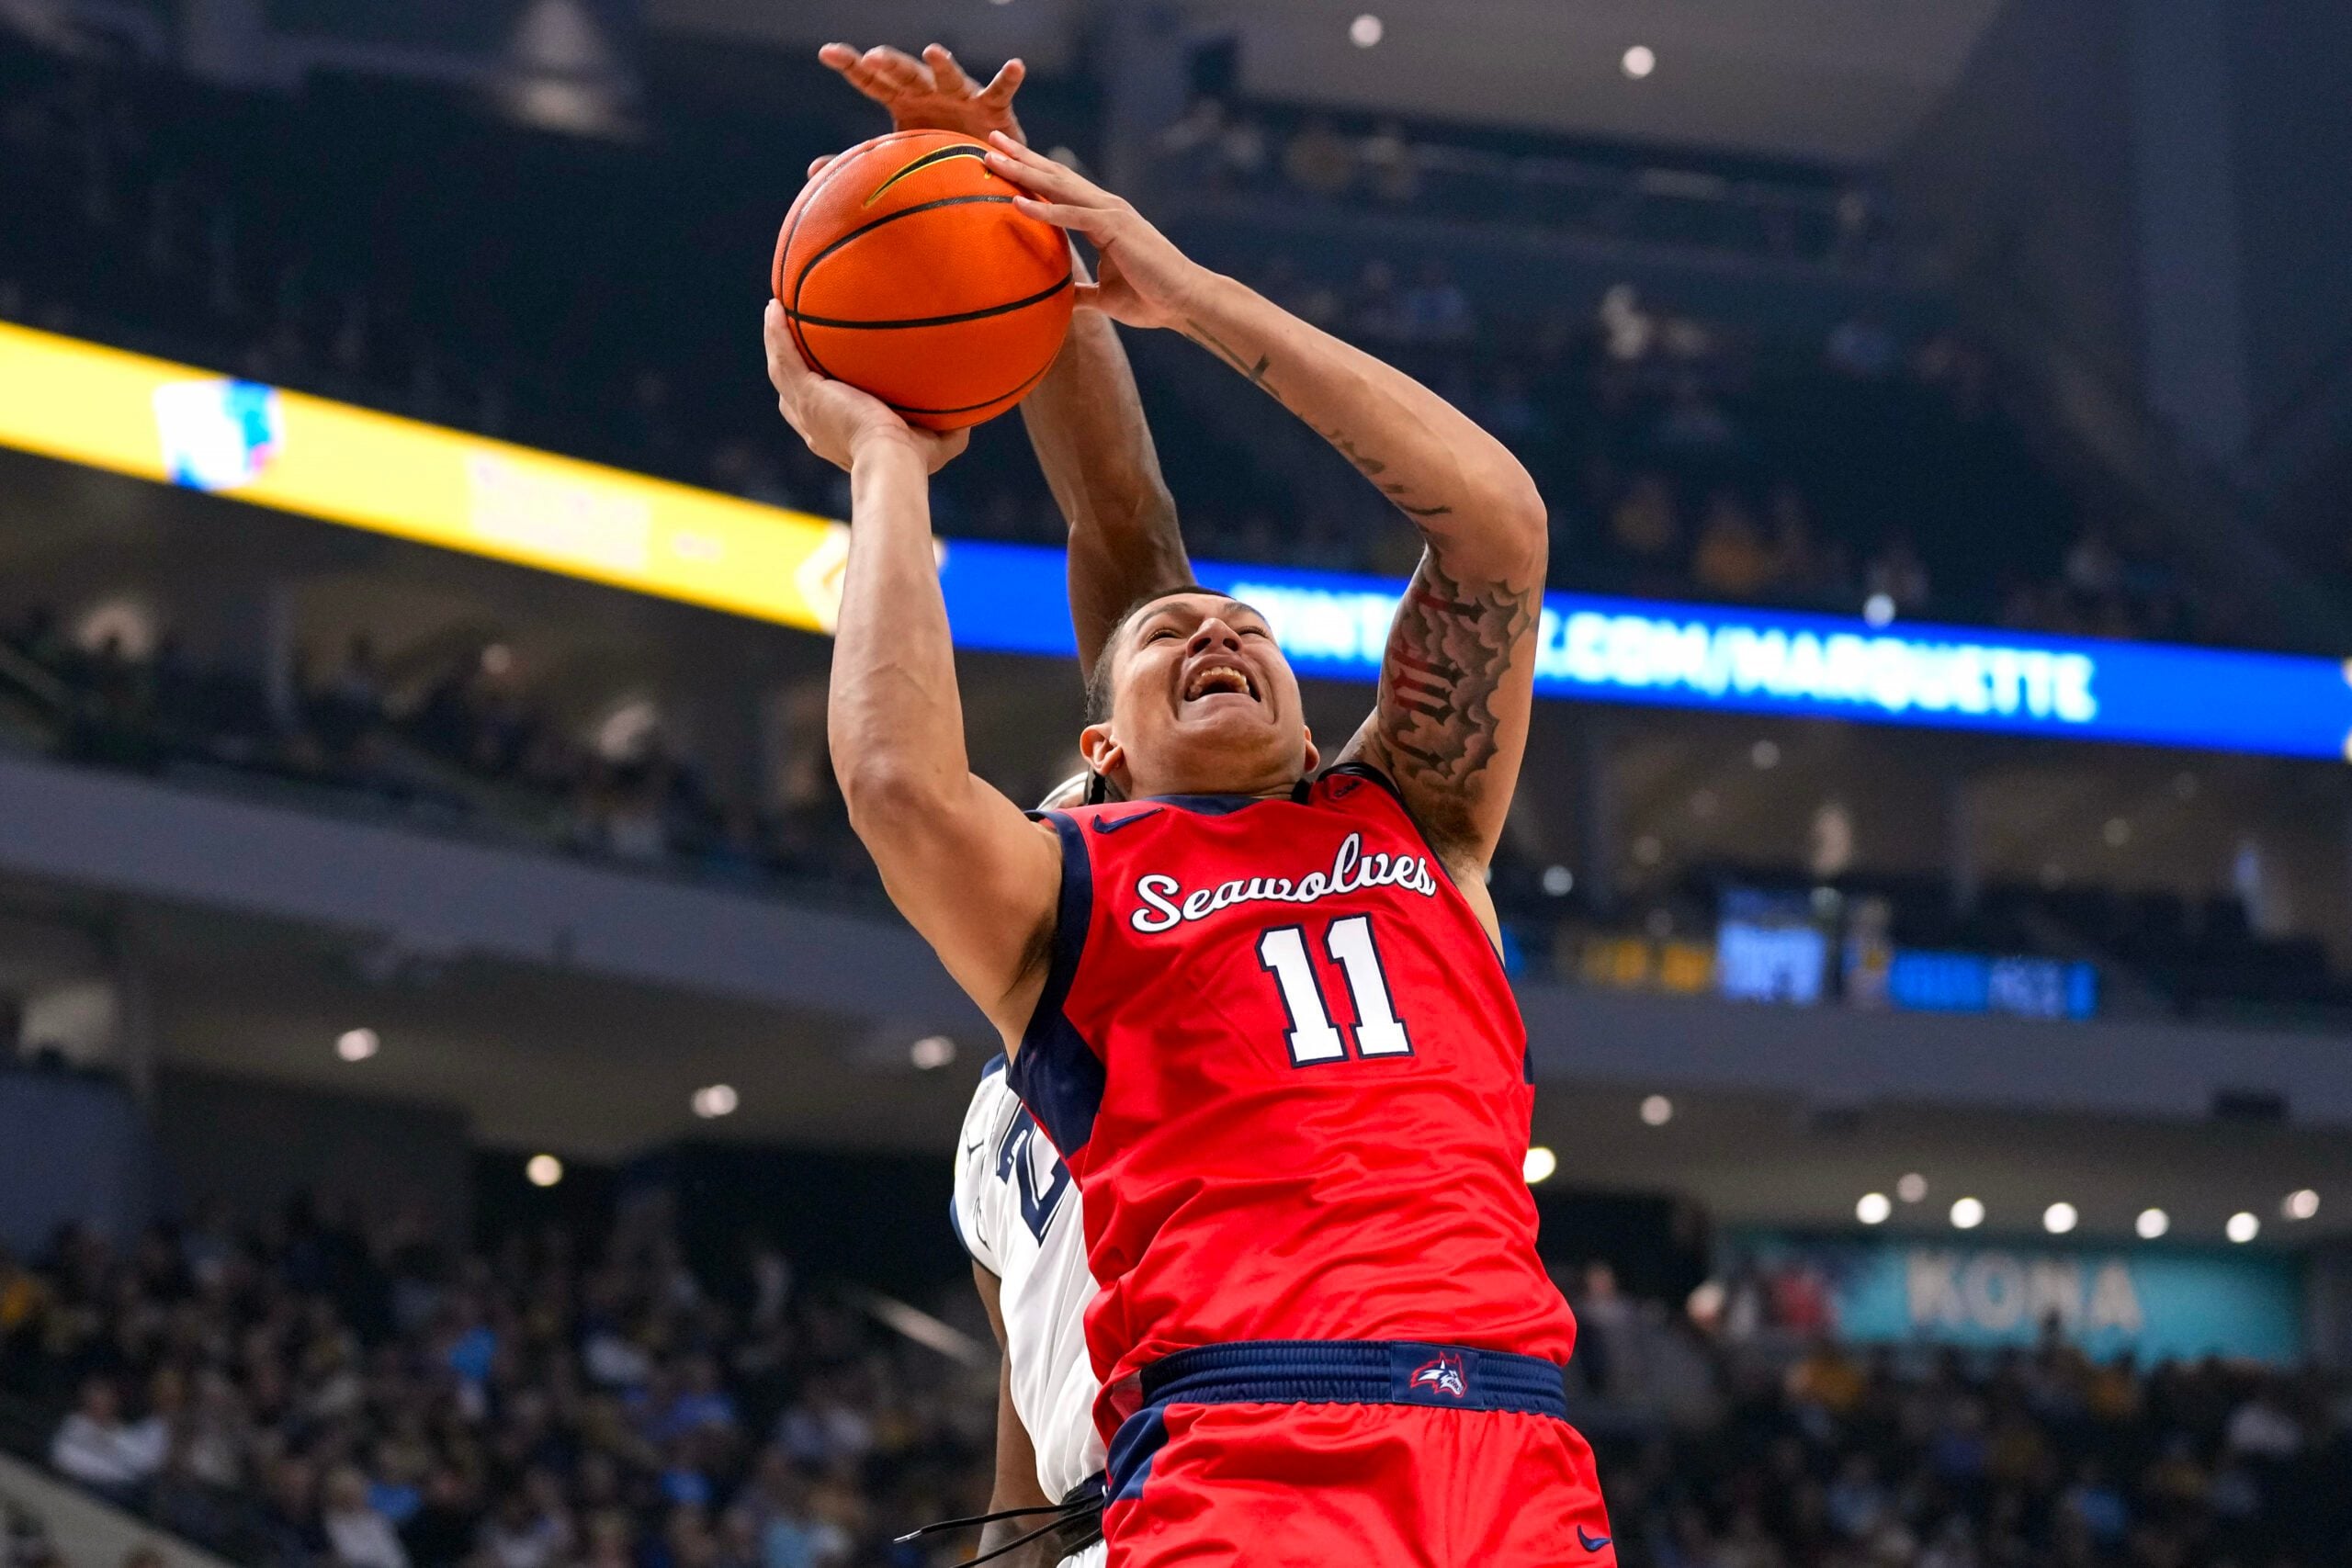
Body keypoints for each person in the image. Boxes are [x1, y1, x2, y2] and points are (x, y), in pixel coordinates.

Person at [765, 134, 1612, 1567]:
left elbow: (1495, 528)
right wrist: (887, 465)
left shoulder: (1413, 814)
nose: (1216, 626)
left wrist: (1163, 281)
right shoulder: (1068, 908)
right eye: (1170, 636)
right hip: (1241, 1456)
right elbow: (906, 775)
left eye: (1252, 629)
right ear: (1099, 759)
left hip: (1512, 1452)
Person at [813, 40, 1193, 1568]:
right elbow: (1031, 1459)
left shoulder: (1202, 897)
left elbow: (1126, 524)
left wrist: (1015, 229)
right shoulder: (992, 1133)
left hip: (1246, 1490)